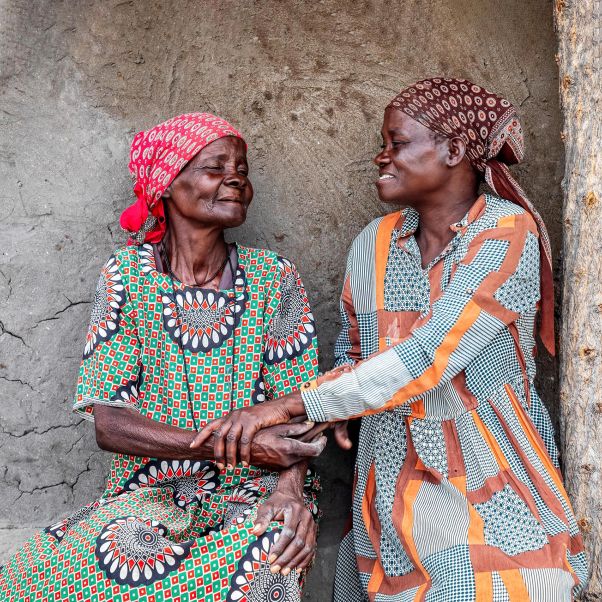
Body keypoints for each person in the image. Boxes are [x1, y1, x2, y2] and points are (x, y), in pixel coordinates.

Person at [194, 80, 589, 600]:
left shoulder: (505, 230)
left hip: (487, 479)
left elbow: (429, 356)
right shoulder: (373, 243)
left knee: (487, 583)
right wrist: (327, 414)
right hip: (388, 482)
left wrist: (289, 404)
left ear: (453, 150)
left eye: (397, 142)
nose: (381, 156)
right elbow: (355, 358)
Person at [0, 113, 325, 602]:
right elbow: (111, 425)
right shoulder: (127, 276)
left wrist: (291, 491)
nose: (236, 177)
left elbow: (304, 411)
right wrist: (233, 446)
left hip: (260, 492)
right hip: (150, 496)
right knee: (41, 572)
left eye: (242, 168)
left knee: (271, 549)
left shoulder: (275, 276)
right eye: (215, 167)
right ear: (167, 183)